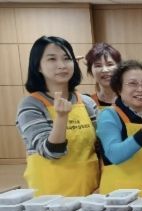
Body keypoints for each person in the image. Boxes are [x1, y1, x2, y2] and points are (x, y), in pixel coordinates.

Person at [16, 35, 99, 196]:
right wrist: (61, 118)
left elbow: (99, 147)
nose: (61, 65)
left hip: (90, 193)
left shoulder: (87, 103)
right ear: (38, 66)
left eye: (67, 58)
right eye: (52, 59)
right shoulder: (31, 105)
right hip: (50, 198)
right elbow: (52, 152)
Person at [96, 60, 142, 197]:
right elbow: (114, 154)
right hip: (121, 200)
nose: (140, 89)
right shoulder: (109, 115)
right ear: (119, 88)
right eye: (132, 84)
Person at [85, 42, 121, 109]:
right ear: (90, 71)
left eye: (110, 64)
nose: (105, 70)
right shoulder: (87, 103)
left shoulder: (131, 101)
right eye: (98, 65)